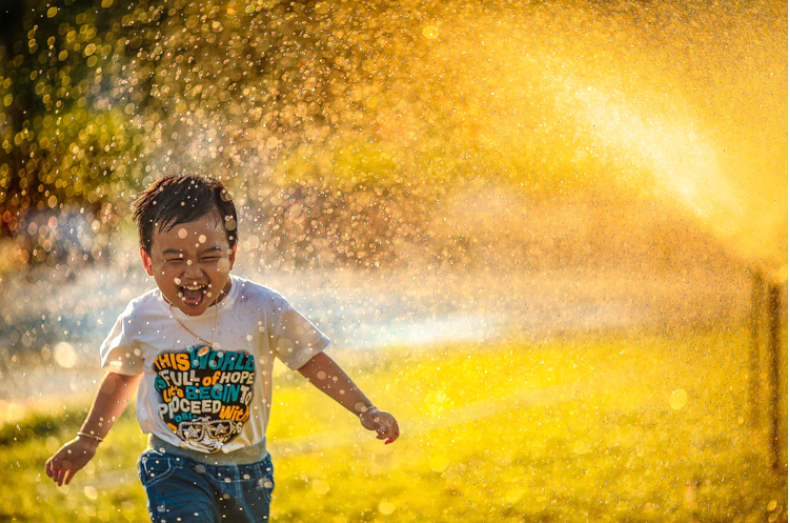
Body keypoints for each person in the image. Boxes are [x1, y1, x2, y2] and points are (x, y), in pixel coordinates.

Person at [44, 174, 400, 522]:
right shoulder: (142, 317)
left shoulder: (262, 307)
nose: (192, 272)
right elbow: (121, 379)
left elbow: (311, 360)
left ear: (232, 254)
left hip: (248, 470)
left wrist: (364, 409)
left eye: (208, 256)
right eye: (175, 258)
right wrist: (88, 439)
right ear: (148, 262)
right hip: (173, 465)